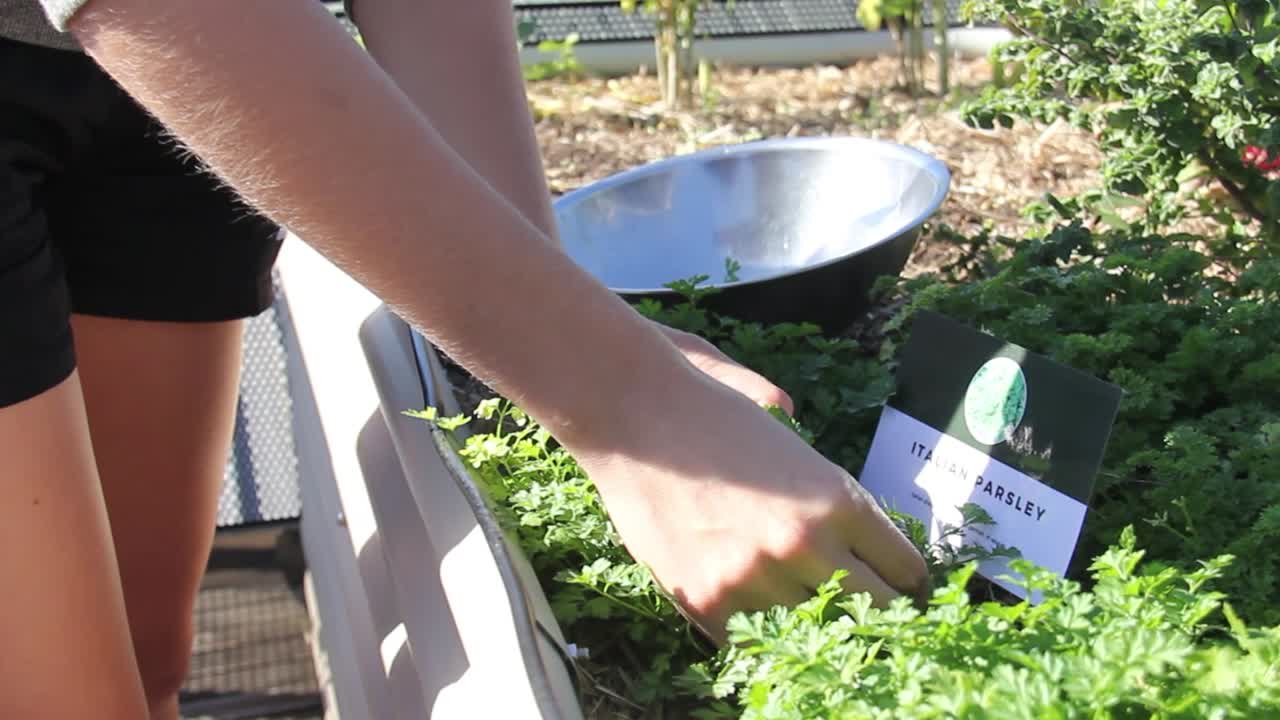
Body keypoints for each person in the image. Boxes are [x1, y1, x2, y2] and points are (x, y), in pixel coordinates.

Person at [0, 1, 930, 718]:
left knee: (148, 653)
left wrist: (574, 332)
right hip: (177, 26)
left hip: (211, 62)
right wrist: (637, 411)